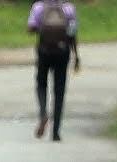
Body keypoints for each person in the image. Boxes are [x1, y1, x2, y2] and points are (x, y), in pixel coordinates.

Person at [27, 0, 79, 142]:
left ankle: (43, 114)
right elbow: (72, 33)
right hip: (62, 52)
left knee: (41, 84)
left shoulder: (39, 7)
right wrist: (76, 55)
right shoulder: (68, 8)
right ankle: (56, 132)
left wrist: (41, 30)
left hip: (44, 51)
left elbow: (31, 28)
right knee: (59, 91)